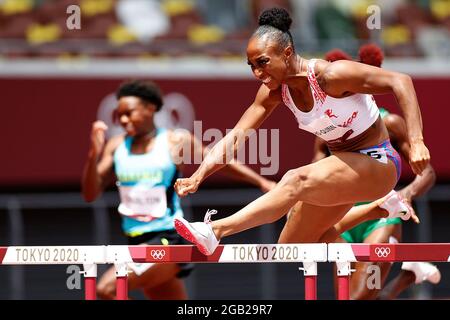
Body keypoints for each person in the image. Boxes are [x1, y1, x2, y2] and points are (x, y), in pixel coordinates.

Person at [172, 7, 430, 257]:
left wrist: (417, 141)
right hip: (344, 167)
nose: (257, 73)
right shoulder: (274, 93)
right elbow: (236, 136)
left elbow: (401, 81)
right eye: (251, 65)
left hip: (379, 162)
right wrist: (198, 176)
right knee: (293, 247)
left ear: (286, 52)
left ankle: (215, 230)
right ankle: (382, 208)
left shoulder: (332, 75)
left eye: (262, 62)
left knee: (296, 179)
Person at [81, 80, 275, 300]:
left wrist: (261, 182)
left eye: (130, 113)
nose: (124, 120)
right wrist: (92, 156)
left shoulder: (175, 141)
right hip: (135, 241)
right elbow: (90, 194)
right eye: (120, 115)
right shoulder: (116, 146)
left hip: (167, 239)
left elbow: (218, 161)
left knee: (107, 289)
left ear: (150, 108)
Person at [316, 44, 440, 300]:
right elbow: (316, 172)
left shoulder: (390, 123)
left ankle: (405, 277)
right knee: (348, 296)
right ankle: (407, 278)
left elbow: (427, 172)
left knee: (358, 297)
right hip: (344, 217)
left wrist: (405, 195)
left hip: (380, 215)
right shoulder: (325, 128)